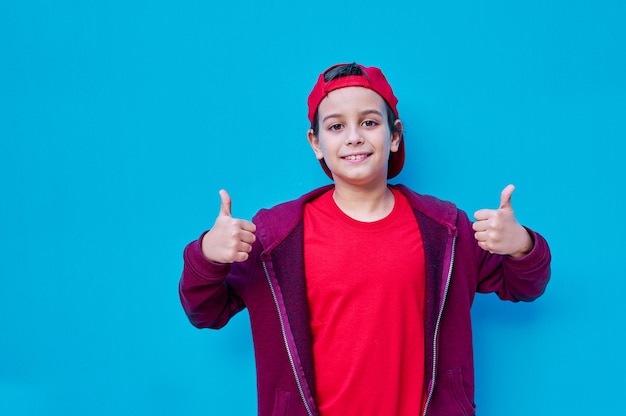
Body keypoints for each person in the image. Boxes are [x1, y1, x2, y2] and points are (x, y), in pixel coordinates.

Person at [179, 63, 551, 416]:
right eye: (336, 126)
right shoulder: (275, 238)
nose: (354, 136)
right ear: (316, 143)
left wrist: (522, 246)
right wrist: (207, 256)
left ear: (394, 136)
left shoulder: (445, 230)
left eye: (369, 122)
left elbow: (523, 286)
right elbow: (205, 311)